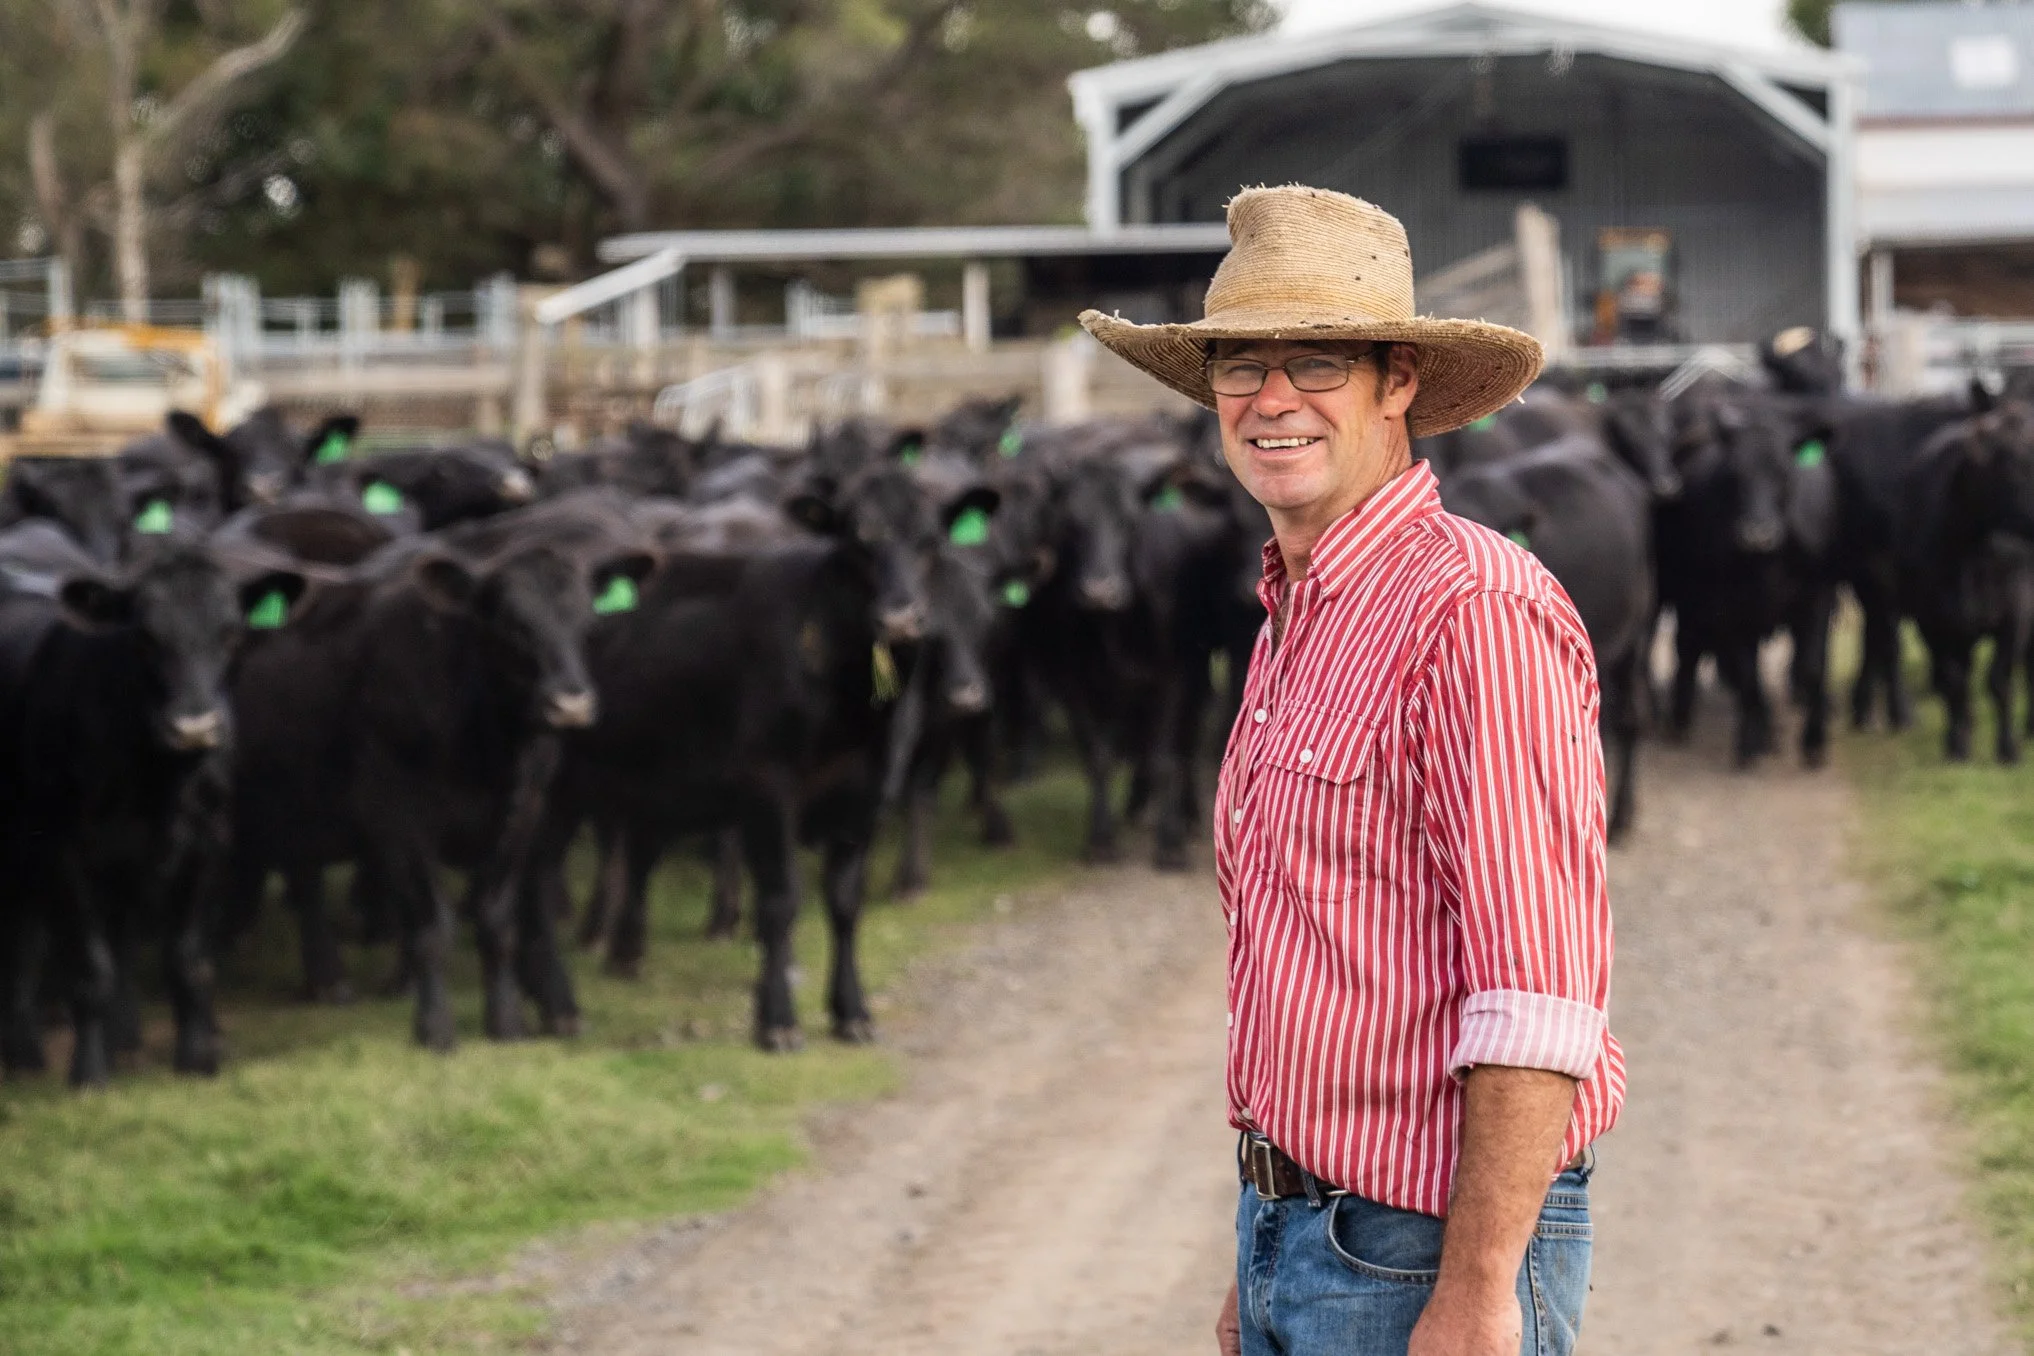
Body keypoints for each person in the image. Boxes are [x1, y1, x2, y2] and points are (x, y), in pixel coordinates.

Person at [1080, 186, 1623, 1356]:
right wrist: (1260, 1251)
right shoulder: (1294, 616)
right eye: (1237, 365)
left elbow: (1539, 999)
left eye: (1317, 360)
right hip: (1300, 1228)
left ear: (1399, 383)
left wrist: (1478, 1294)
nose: (1271, 399)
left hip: (1418, 1250)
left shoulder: (1470, 611)